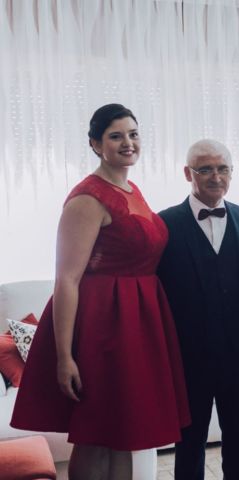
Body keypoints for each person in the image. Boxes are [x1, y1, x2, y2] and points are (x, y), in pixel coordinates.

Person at [11, 103, 191, 480]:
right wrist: (65, 357)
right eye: (116, 136)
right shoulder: (87, 198)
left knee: (122, 433)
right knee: (95, 435)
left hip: (135, 324)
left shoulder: (131, 188)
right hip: (103, 326)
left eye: (133, 134)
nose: (128, 143)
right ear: (95, 144)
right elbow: (66, 279)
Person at [157, 139, 239, 480]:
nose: (216, 177)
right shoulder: (164, 223)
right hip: (188, 357)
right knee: (189, 443)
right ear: (188, 173)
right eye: (205, 169)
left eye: (222, 168)